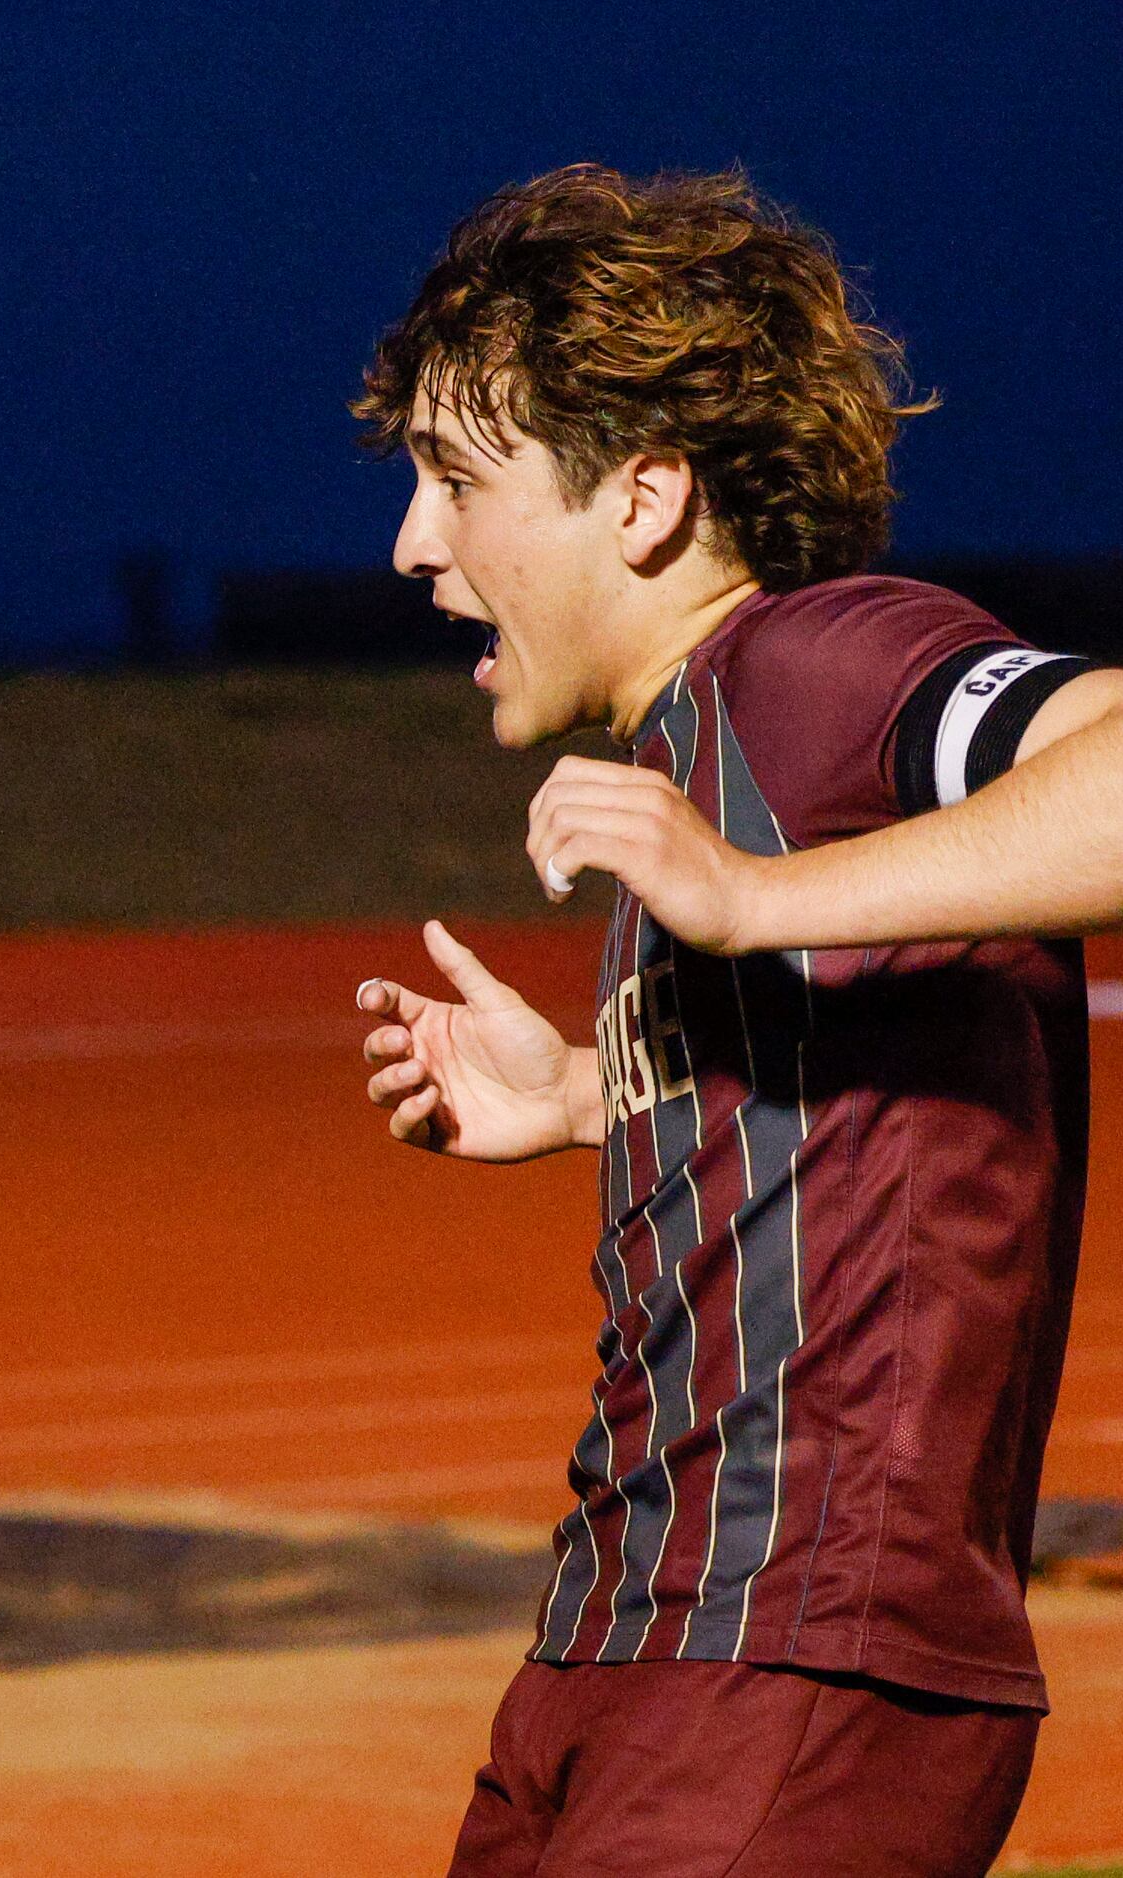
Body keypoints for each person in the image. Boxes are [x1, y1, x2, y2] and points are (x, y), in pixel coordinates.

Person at [346, 165, 1093, 1876]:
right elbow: (856, 1081)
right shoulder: (690, 762)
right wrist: (602, 1090)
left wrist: (749, 902)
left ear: (646, 498)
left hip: (800, 1658)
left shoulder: (820, 664)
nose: (411, 540)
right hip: (619, 1656)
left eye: (460, 478)